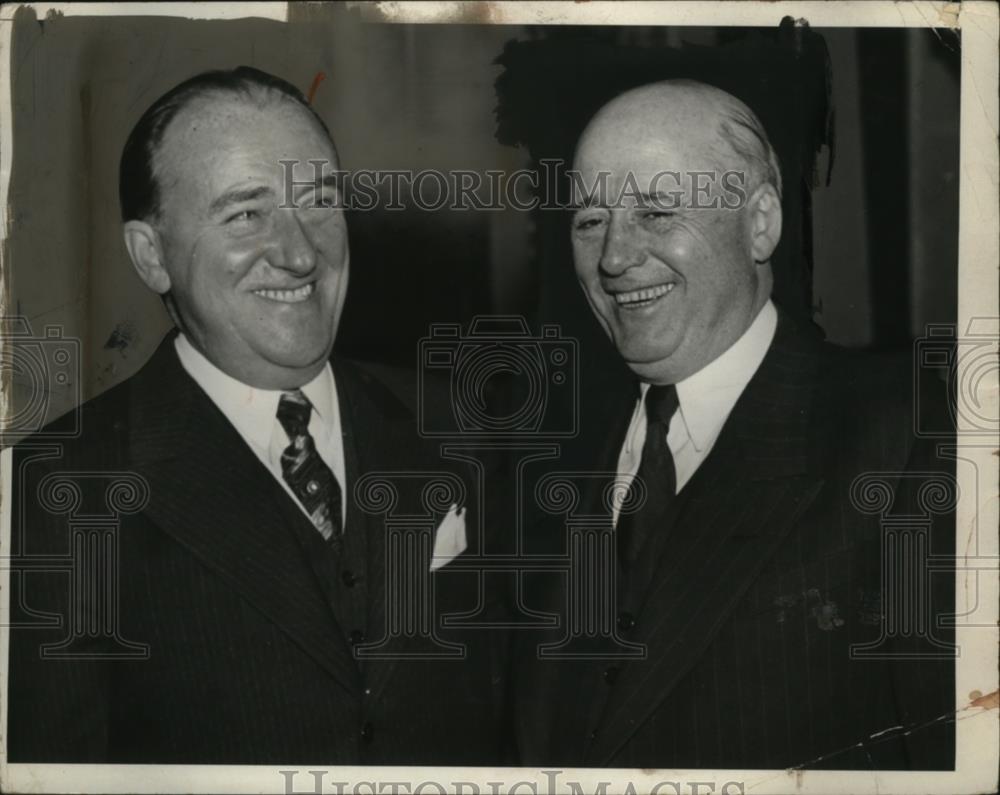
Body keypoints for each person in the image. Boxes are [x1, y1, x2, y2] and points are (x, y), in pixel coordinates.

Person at [7, 67, 507, 765]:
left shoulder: (462, 427)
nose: (302, 252)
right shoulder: (51, 493)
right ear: (151, 256)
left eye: (320, 203)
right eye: (246, 213)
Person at [514, 80, 955, 770]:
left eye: (657, 211)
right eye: (590, 220)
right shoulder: (549, 462)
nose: (614, 257)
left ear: (761, 223)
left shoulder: (911, 438)